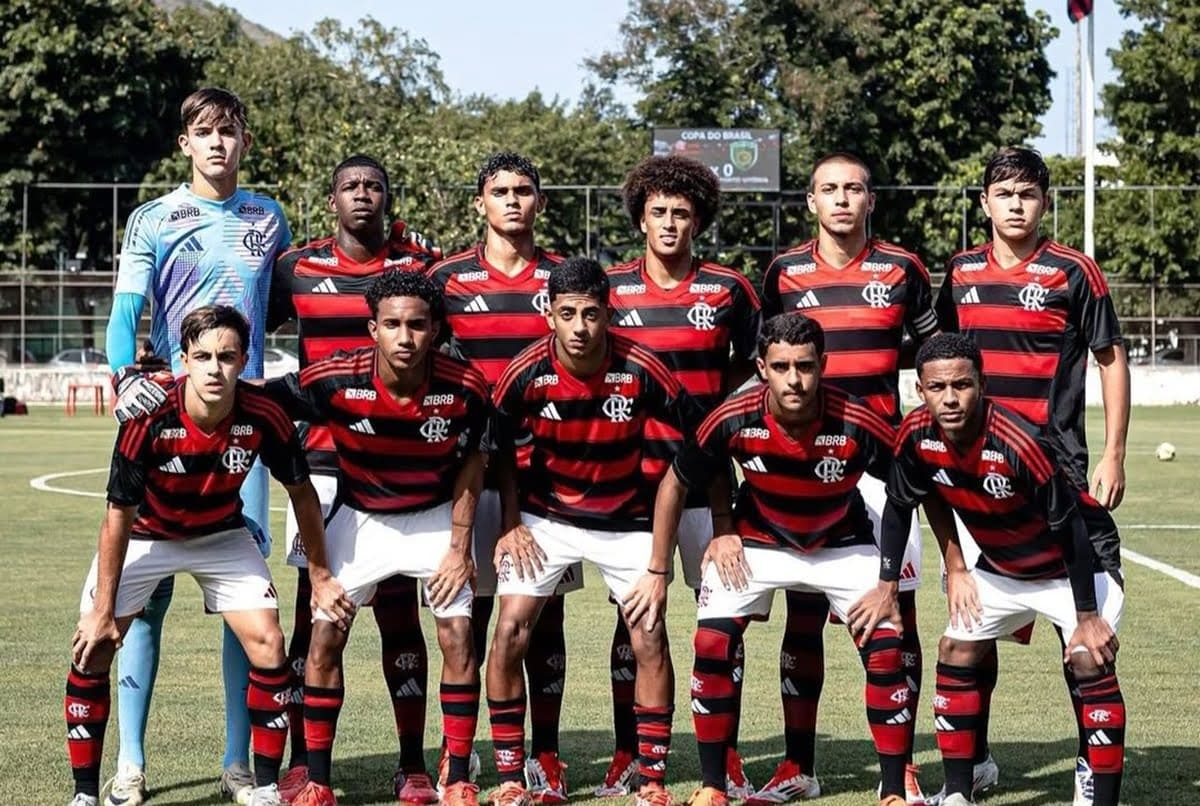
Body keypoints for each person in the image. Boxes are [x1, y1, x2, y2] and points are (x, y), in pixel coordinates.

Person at [105, 87, 292, 805]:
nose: (218, 143)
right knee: (143, 601)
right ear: (185, 143)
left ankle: (238, 762)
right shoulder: (154, 218)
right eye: (204, 132)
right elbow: (126, 316)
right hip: (164, 423)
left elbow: (283, 303)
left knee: (243, 602)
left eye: (230, 131)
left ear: (246, 142)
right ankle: (130, 762)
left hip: (241, 431)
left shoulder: (267, 216)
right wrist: (126, 378)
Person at [646, 312, 914, 806]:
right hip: (758, 541)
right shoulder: (733, 415)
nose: (795, 379)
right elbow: (676, 483)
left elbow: (903, 491)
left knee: (886, 647)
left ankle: (894, 790)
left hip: (841, 540)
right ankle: (711, 787)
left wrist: (888, 581)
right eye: (782, 366)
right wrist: (661, 569)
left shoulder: (857, 419)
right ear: (761, 367)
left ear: (824, 365)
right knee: (711, 641)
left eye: (806, 366)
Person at [933, 146, 1129, 806]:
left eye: (1029, 194)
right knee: (972, 627)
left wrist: (1113, 453)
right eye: (1005, 194)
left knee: (1080, 636)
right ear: (984, 203)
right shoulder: (959, 273)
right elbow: (943, 359)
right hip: (973, 479)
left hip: (1059, 471)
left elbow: (1110, 357)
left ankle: (1088, 765)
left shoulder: (1074, 271)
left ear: (1045, 204)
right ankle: (975, 762)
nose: (1017, 205)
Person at [66, 305, 322, 806]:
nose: (214, 368)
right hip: (145, 534)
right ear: (184, 359)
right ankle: (85, 795)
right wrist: (102, 612)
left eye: (227, 357)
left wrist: (323, 572)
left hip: (219, 534)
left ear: (244, 360)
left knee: (269, 642)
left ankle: (263, 786)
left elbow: (302, 492)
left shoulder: (264, 413)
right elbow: (117, 515)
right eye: (202, 356)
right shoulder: (150, 415)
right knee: (92, 646)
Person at [260, 269, 488, 806]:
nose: (404, 337)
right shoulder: (336, 379)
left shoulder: (465, 386)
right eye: (392, 325)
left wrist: (459, 546)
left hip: (433, 516)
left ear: (435, 329)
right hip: (360, 517)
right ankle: (317, 778)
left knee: (457, 635)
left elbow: (476, 460)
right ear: (372, 329)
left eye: (416, 325)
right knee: (324, 636)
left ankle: (453, 775)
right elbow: (262, 402)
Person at [487, 257, 704, 806]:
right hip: (546, 517)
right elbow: (497, 447)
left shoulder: (641, 366)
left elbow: (699, 444)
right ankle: (512, 776)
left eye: (590, 314)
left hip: (626, 518)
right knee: (510, 628)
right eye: (568, 314)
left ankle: (651, 780)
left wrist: (666, 557)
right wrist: (511, 523)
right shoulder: (526, 371)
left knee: (648, 631)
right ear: (549, 316)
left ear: (608, 313)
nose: (580, 327)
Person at [757, 153, 938, 804]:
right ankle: (796, 765)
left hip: (884, 467)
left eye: (853, 189)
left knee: (896, 613)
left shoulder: (903, 269)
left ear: (870, 202)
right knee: (802, 611)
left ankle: (904, 764)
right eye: (829, 189)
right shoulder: (782, 272)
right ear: (810, 202)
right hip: (802, 466)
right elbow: (765, 365)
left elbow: (935, 353)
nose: (841, 199)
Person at [264, 154, 442, 802]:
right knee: (316, 619)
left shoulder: (418, 268)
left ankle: (412, 764)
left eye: (373, 185)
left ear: (388, 199)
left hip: (399, 464)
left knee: (400, 617)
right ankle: (305, 767)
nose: (362, 195)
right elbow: (249, 333)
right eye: (350, 187)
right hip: (320, 465)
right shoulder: (297, 268)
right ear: (332, 199)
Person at [884, 333, 1125, 806]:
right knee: (956, 648)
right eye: (937, 387)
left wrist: (1087, 615)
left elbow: (1071, 527)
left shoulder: (1018, 440)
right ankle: (956, 792)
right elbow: (900, 504)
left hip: (1080, 563)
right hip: (1003, 566)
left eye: (962, 385)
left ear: (983, 384)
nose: (950, 398)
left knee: (1086, 659)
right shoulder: (914, 434)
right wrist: (892, 584)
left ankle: (1102, 797)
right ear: (919, 389)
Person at [604, 155, 760, 799]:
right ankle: (628, 753)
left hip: (708, 488)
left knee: (721, 622)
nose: (670, 223)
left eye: (683, 214)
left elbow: (752, 375)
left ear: (700, 221)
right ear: (641, 217)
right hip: (632, 488)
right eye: (659, 212)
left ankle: (722, 756)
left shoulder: (728, 288)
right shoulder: (610, 290)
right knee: (633, 623)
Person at [427, 151, 581, 802]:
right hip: (463, 478)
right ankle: (458, 756)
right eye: (500, 191)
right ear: (480, 203)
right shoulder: (445, 280)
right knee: (466, 616)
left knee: (542, 622)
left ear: (540, 203)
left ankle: (542, 756)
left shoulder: (564, 279)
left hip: (544, 480)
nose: (513, 201)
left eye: (524, 191)